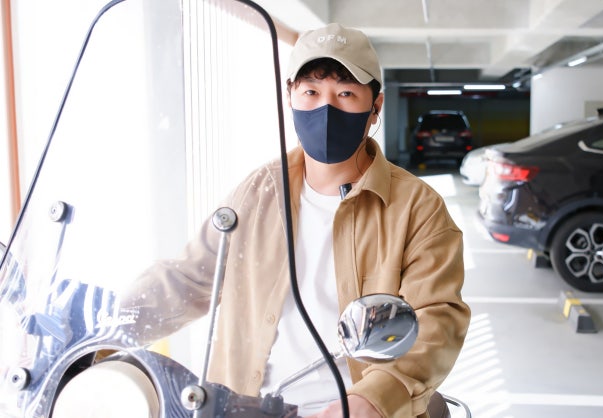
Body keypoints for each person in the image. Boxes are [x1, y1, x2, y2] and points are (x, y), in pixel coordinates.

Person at [123, 22, 470, 418]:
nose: (326, 108)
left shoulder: (418, 208)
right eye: (311, 92)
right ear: (289, 95)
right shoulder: (258, 192)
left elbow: (436, 318)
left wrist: (372, 399)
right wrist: (112, 324)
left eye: (346, 93)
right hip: (246, 406)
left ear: (375, 105)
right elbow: (189, 278)